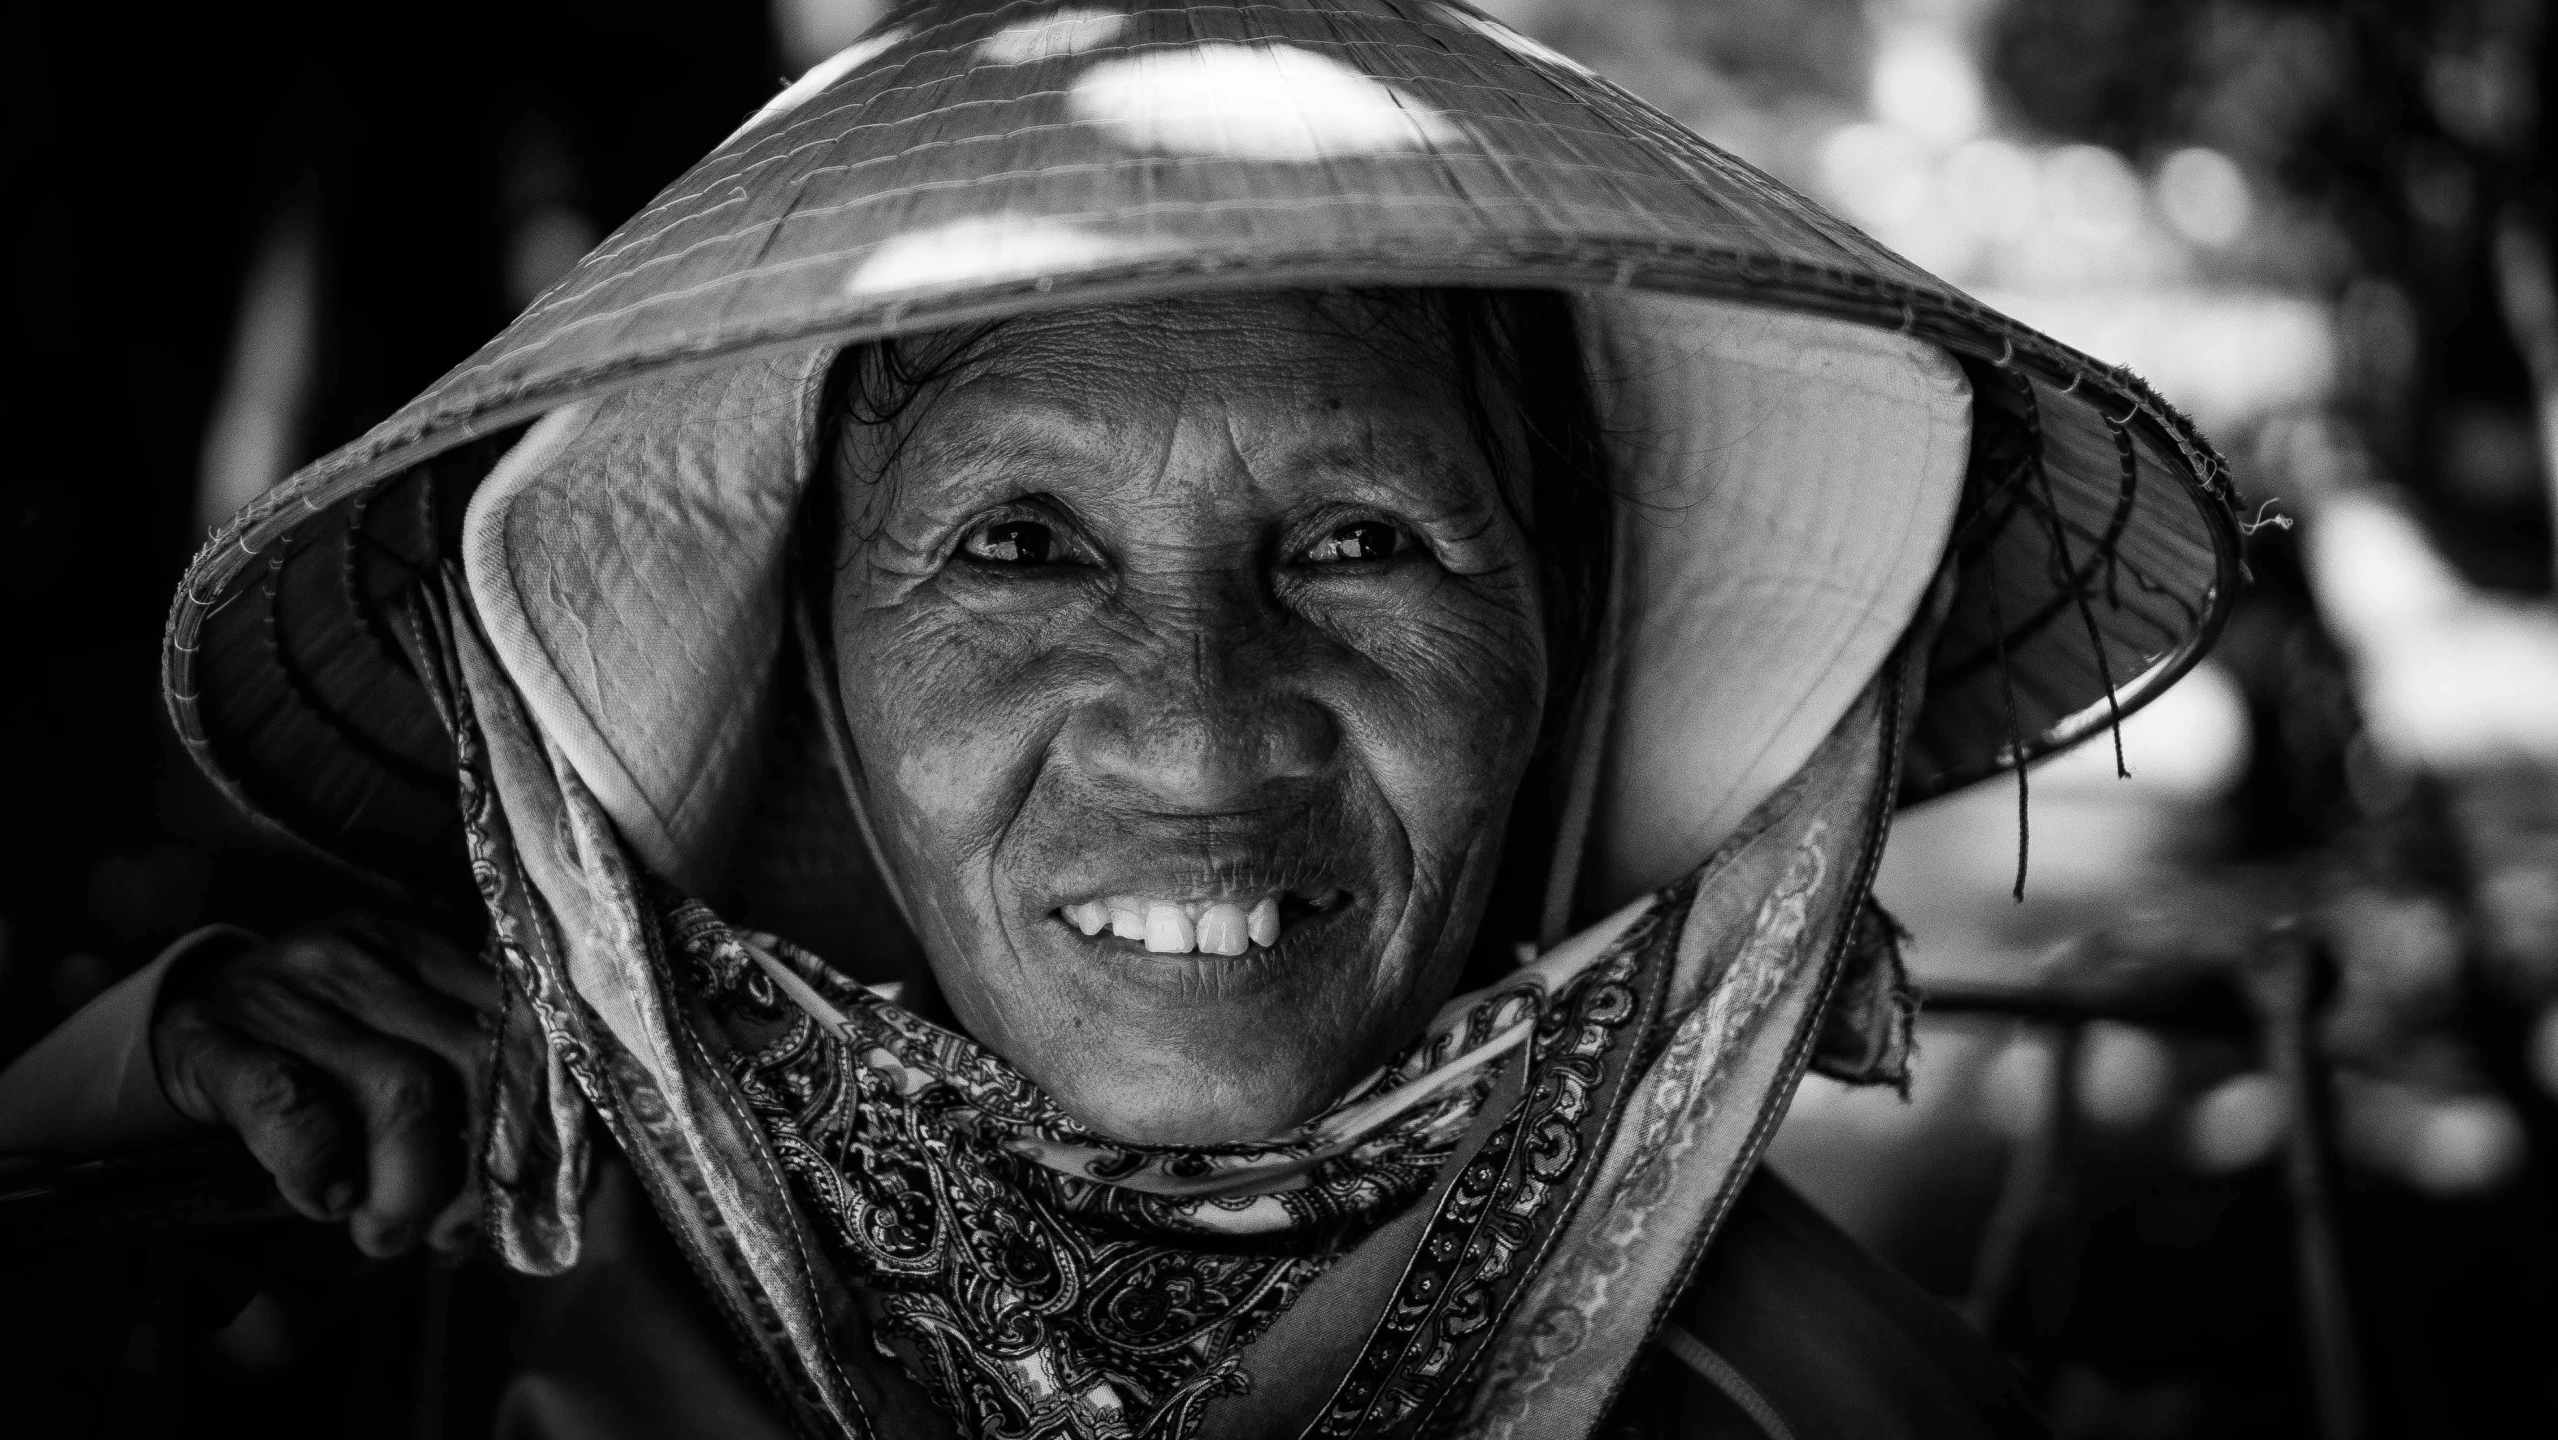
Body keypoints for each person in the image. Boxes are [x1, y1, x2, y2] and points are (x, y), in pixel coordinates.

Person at [0, 3, 2242, 1436]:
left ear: (1560, 643)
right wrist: (124, 1092)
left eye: (1362, 541)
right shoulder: (482, 1254)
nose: (1196, 734)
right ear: (810, 669)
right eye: (1015, 549)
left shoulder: (1795, 1400)